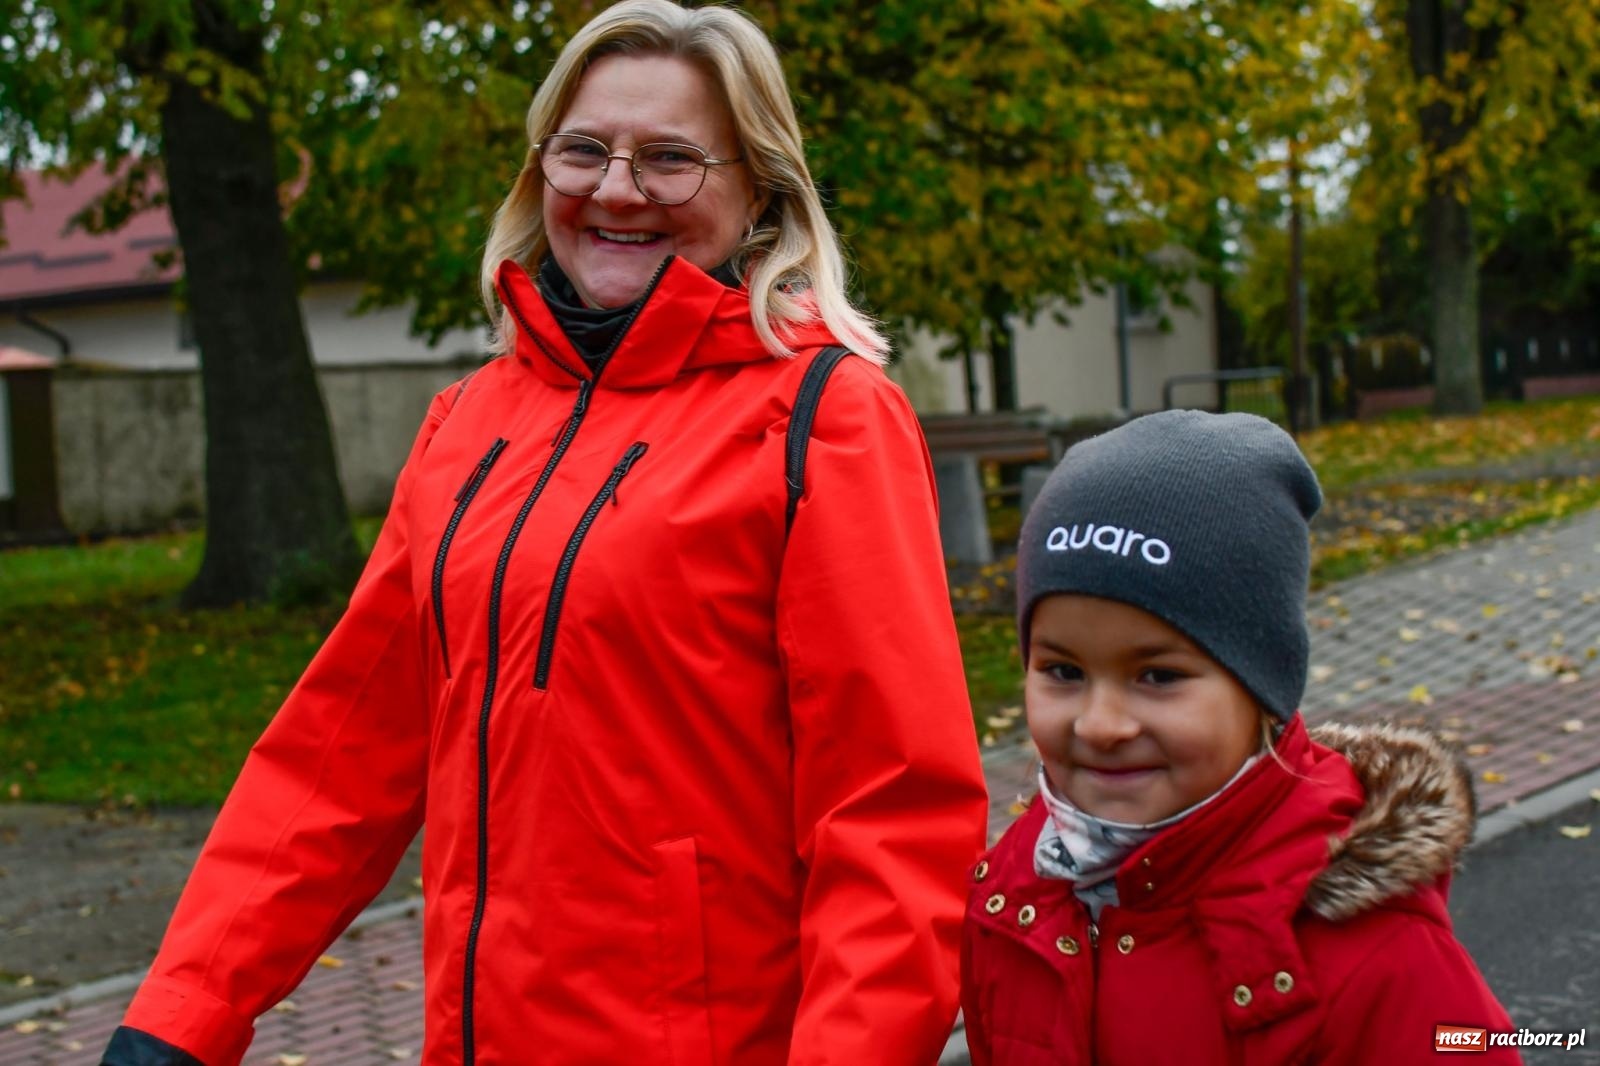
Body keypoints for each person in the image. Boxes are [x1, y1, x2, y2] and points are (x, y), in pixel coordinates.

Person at [101, 2, 988, 1063]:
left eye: (670, 159)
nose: (616, 189)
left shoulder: (822, 418)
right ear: (539, 172)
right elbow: (337, 756)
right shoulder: (468, 421)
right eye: (583, 150)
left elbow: (891, 817)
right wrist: (183, 1011)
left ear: (758, 188)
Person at [961, 410, 1519, 1065]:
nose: (1100, 724)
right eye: (1063, 671)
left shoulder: (1378, 955)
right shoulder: (1015, 897)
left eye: (1158, 675)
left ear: (1262, 687)